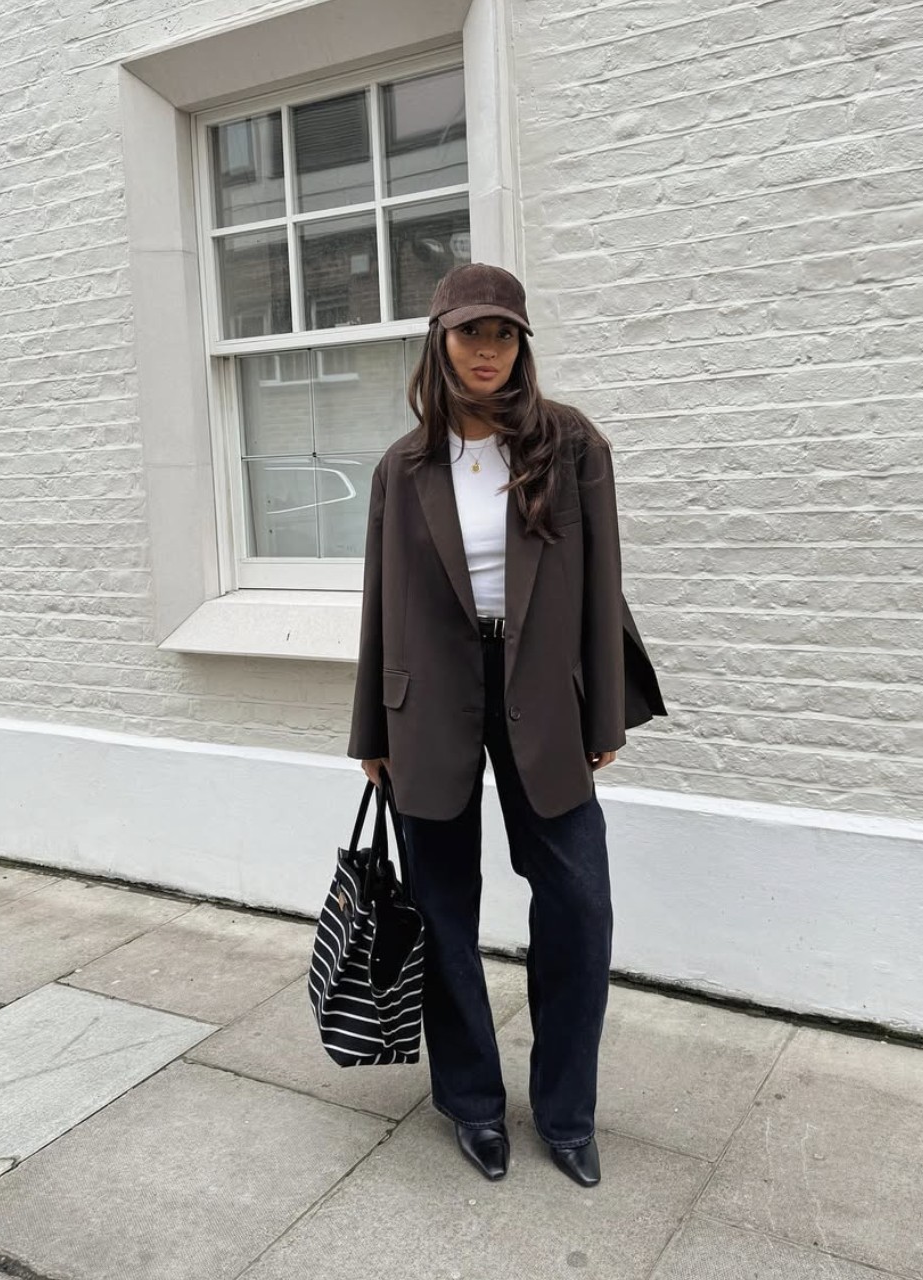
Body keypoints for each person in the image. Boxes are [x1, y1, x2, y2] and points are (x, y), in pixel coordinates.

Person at [347, 262, 666, 1187]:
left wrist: (603, 709)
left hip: (546, 692)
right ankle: (474, 1103)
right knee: (443, 909)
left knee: (577, 905)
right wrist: (371, 730)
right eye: (469, 333)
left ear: (522, 344)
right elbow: (381, 603)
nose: (486, 351)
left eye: (503, 335)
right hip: (430, 701)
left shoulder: (571, 445)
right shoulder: (403, 466)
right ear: (438, 341)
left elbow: (604, 584)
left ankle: (567, 1113)